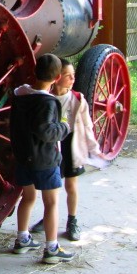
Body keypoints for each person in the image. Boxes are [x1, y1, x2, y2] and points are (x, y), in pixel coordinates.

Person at [31, 58, 108, 241]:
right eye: (68, 75)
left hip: (70, 144)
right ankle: (48, 217)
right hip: (51, 145)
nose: (73, 79)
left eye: (73, 75)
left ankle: (72, 221)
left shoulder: (77, 100)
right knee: (52, 186)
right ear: (57, 77)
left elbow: (87, 127)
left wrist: (95, 149)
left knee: (71, 185)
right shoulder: (45, 97)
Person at [10, 53, 74, 264]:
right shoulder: (47, 102)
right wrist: (64, 127)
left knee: (27, 198)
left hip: (22, 156)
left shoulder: (20, 95)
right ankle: (52, 248)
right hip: (44, 160)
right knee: (51, 202)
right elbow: (45, 131)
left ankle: (22, 239)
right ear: (57, 79)